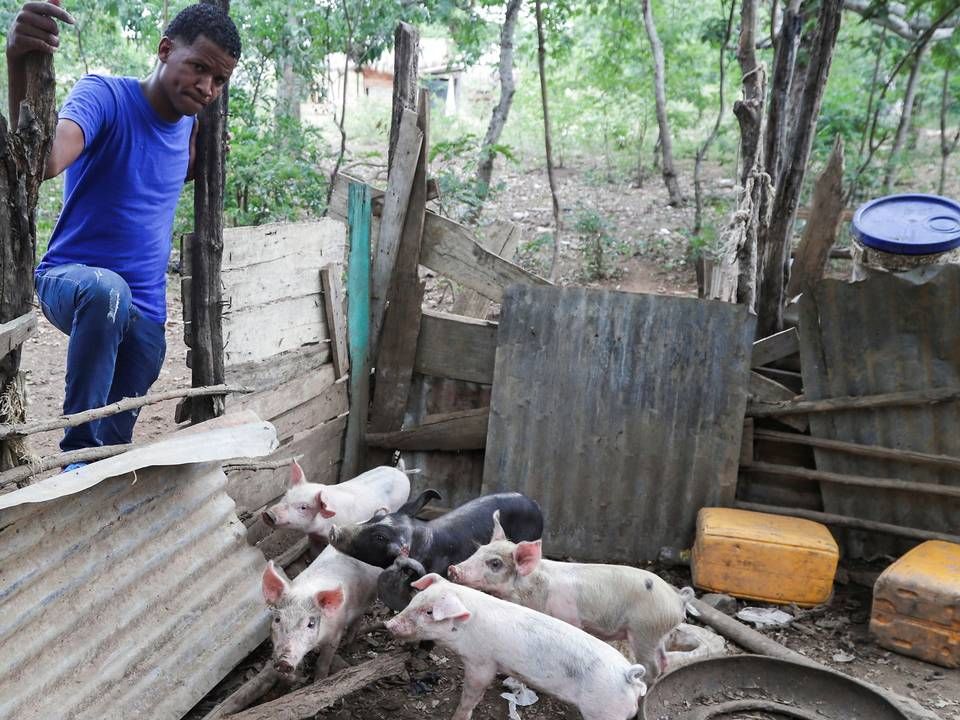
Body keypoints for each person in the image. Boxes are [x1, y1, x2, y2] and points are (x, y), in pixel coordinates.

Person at [5, 2, 241, 467]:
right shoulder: (104, 97)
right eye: (197, 68)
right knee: (106, 293)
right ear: (165, 49)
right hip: (72, 281)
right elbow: (46, 159)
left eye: (219, 80)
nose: (207, 87)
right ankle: (73, 456)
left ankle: (90, 474)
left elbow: (161, 174)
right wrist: (16, 60)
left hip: (146, 316)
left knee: (113, 450)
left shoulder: (194, 128)